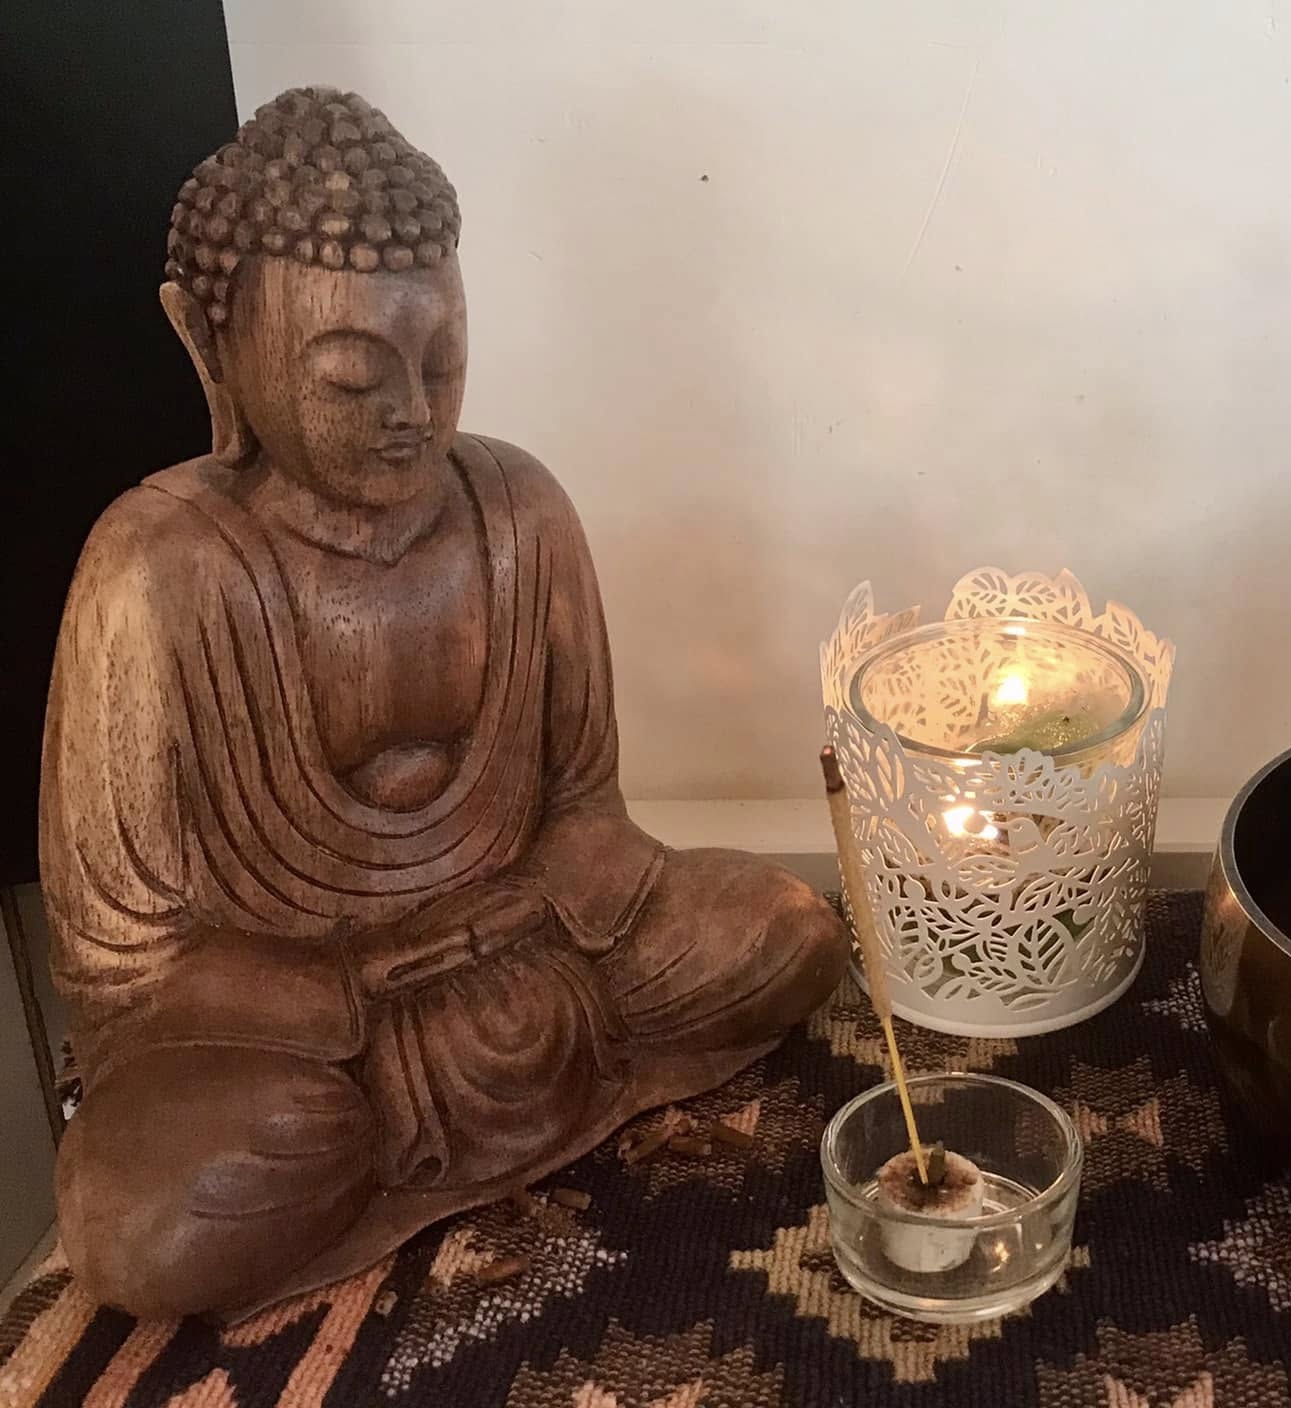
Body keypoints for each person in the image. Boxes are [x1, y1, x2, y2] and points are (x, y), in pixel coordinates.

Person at [41, 86, 846, 1318]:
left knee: (786, 929)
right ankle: (391, 1132)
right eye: (350, 375)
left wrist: (531, 907)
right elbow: (126, 961)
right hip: (298, 1040)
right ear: (212, 349)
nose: (412, 410)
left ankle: (428, 1123)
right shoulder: (152, 571)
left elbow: (587, 809)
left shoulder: (520, 509)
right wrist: (364, 986)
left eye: (443, 361)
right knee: (141, 1225)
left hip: (534, 961)